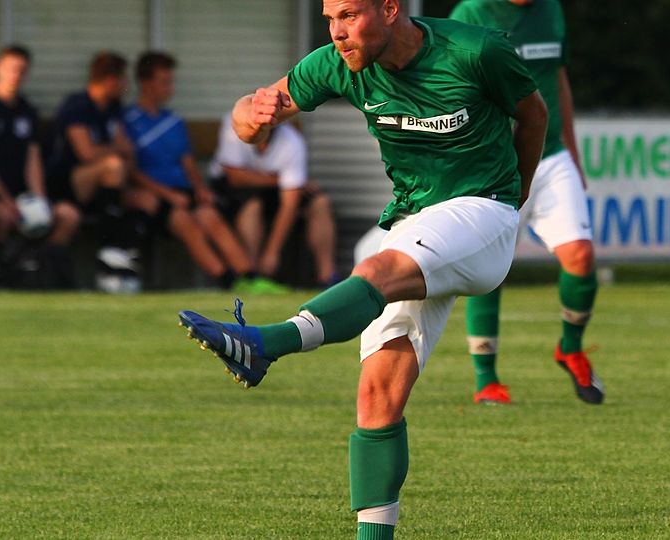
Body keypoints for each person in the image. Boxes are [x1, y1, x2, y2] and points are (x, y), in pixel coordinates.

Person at [177, 1, 547, 538]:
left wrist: (515, 199)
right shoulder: (337, 62)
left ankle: (263, 343)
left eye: (349, 15)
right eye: (330, 17)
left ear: (390, 9)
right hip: (414, 221)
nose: (337, 31)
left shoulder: (476, 50)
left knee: (376, 266)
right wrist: (251, 114)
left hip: (482, 209)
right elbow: (247, 121)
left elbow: (534, 115)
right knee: (377, 397)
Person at [450, 0, 604, 405]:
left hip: (550, 155)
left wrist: (573, 152)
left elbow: (558, 78)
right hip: (495, 161)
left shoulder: (551, 9)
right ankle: (487, 379)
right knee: (489, 270)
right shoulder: (471, 13)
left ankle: (571, 348)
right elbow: (448, 85)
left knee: (581, 256)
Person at [123, 51, 287, 293]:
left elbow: (187, 162)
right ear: (145, 83)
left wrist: (200, 189)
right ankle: (227, 281)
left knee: (209, 215)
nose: (170, 88)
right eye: (164, 82)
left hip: (181, 193)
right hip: (154, 197)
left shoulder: (173, 121)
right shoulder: (128, 121)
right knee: (184, 221)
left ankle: (250, 278)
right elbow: (130, 169)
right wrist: (167, 195)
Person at [0, 44, 80, 289]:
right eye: (11, 69)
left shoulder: (27, 111)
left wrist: (40, 199)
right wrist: (8, 202)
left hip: (24, 196)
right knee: (3, 217)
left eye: (22, 70)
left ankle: (40, 267)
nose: (16, 75)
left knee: (68, 216)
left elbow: (32, 160)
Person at [47, 51, 144, 291]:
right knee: (113, 166)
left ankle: (121, 256)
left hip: (103, 187)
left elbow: (127, 149)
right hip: (67, 184)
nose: (127, 86)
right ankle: (109, 252)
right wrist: (117, 150)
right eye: (124, 80)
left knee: (143, 199)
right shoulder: (77, 105)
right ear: (111, 80)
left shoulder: (113, 108)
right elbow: (87, 153)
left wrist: (121, 152)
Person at [209, 113, 339, 287]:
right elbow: (235, 177)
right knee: (253, 204)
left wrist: (272, 252)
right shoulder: (234, 122)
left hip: (274, 192)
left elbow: (290, 202)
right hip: (233, 190)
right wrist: (280, 179)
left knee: (320, 202)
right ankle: (251, 276)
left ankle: (327, 278)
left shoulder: (292, 141)